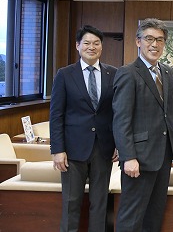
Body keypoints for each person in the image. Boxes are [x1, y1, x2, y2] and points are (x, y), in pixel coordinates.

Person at [112, 18, 173, 232]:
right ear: (138, 41)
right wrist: (128, 156)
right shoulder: (128, 73)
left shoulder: (168, 72)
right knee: (131, 216)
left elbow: (172, 114)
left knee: (154, 215)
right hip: (138, 160)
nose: (154, 44)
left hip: (163, 157)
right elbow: (121, 119)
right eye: (149, 38)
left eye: (160, 40)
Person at [50, 25, 118, 231]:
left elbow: (117, 113)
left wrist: (118, 144)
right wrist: (57, 150)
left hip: (103, 149)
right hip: (72, 150)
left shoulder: (113, 73)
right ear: (78, 46)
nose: (92, 47)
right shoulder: (65, 74)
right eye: (87, 43)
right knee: (71, 203)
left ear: (101, 47)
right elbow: (56, 114)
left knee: (99, 203)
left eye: (96, 43)